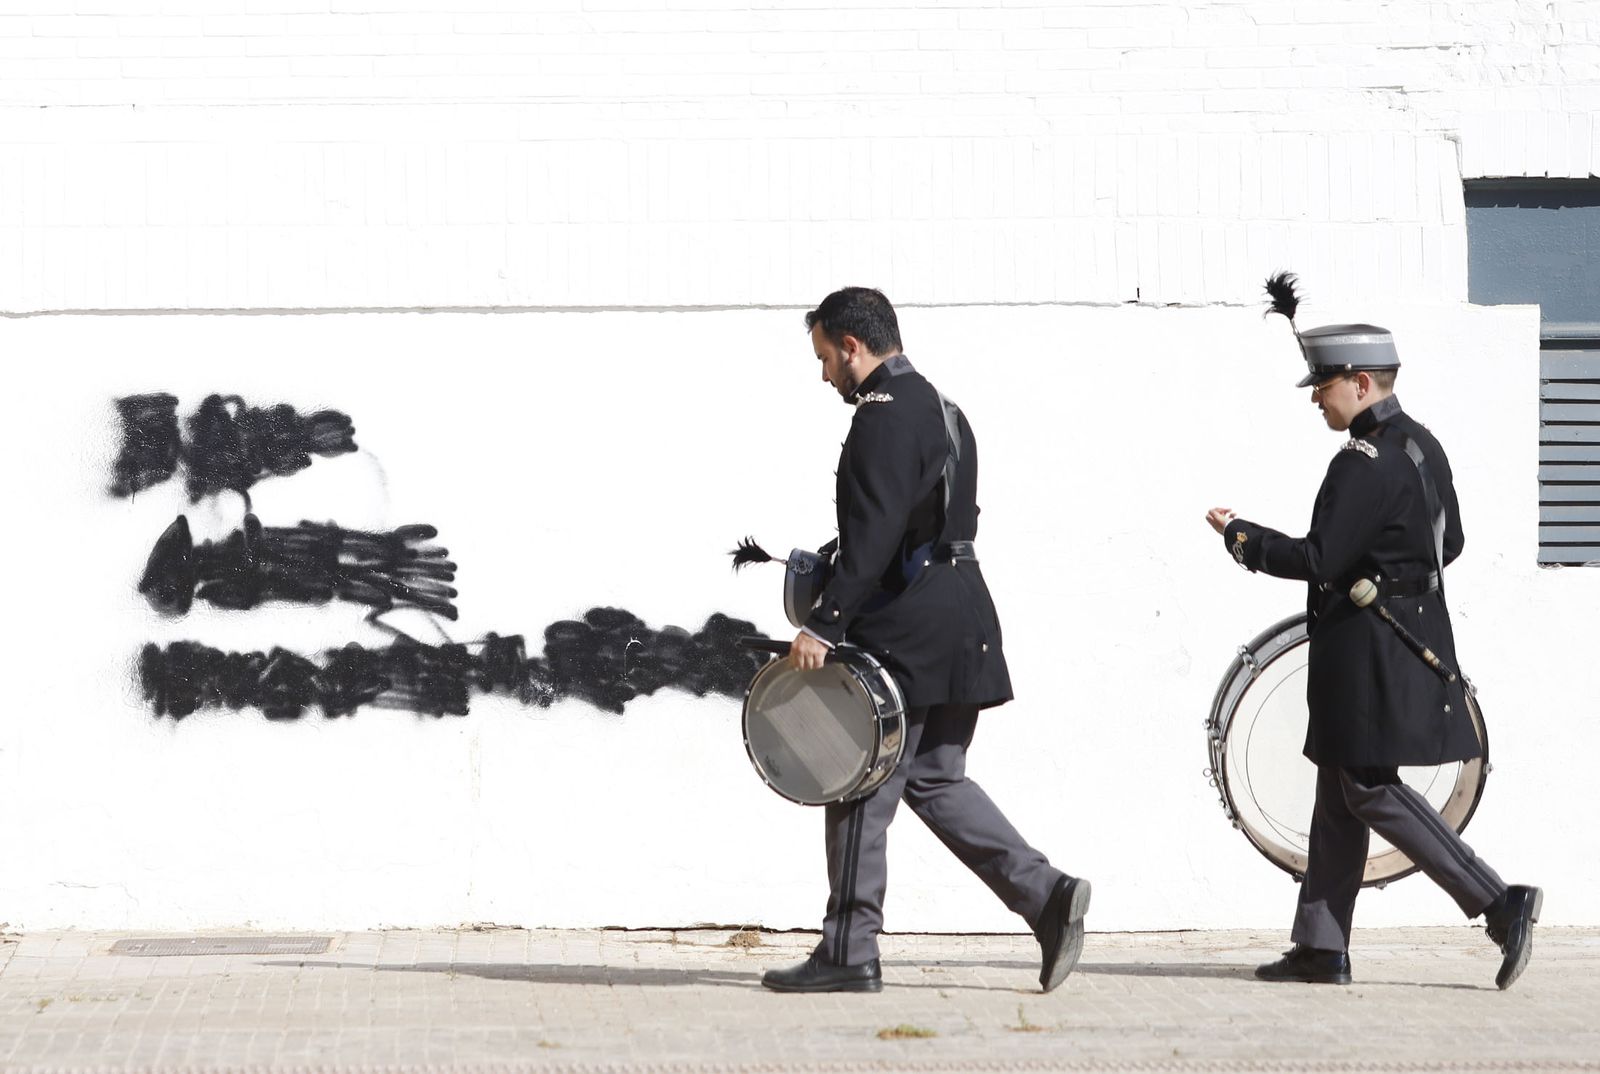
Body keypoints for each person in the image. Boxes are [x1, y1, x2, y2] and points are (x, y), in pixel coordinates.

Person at [761, 286, 1091, 995]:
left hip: (906, 625)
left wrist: (825, 622)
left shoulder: (882, 416)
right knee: (938, 778)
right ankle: (1047, 895)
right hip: (960, 615)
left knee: (856, 778)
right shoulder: (945, 408)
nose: (825, 376)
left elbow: (876, 534)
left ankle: (848, 952)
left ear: (853, 345)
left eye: (825, 358)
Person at [1206, 321, 1542, 990]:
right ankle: (1321, 946)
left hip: (1366, 649)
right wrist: (1391, 571)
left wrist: (1242, 536)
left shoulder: (1362, 460)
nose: (1315, 401)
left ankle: (1498, 899)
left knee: (1365, 785)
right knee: (1339, 789)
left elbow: (1317, 559)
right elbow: (1451, 543)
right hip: (1402, 633)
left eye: (1323, 387)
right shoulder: (1422, 446)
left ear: (1361, 383)